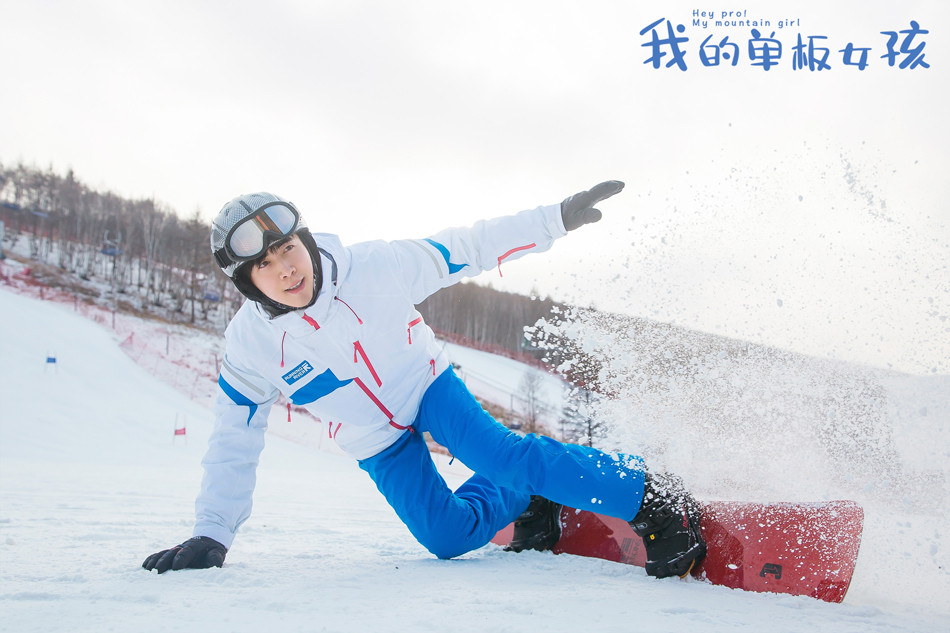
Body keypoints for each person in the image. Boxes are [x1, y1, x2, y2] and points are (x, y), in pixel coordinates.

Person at [141, 183, 706, 579]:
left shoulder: (376, 269)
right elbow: (234, 438)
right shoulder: (251, 346)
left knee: (504, 454)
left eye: (288, 248)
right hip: (373, 437)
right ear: (248, 281)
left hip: (425, 383)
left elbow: (465, 247)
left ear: (306, 242)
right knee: (445, 537)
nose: (287, 269)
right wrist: (213, 531)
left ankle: (651, 496)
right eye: (265, 264)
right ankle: (524, 497)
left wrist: (554, 218)